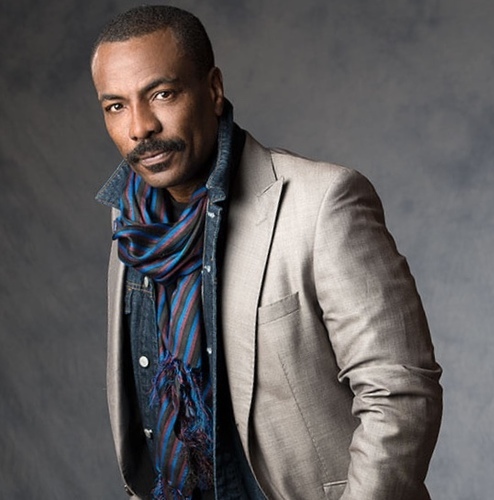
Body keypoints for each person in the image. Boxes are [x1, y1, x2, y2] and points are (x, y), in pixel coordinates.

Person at [92, 5, 442, 500]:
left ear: (213, 90)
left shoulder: (322, 202)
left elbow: (400, 394)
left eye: (162, 94)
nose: (140, 126)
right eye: (116, 106)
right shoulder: (130, 225)